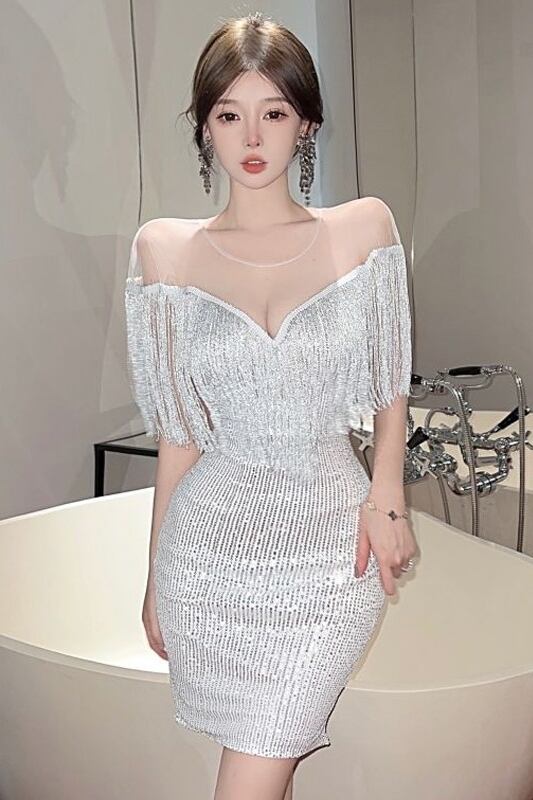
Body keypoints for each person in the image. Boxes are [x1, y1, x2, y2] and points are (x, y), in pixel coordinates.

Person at [124, 11, 417, 800]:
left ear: (306, 123)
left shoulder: (362, 230)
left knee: (253, 771)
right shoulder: (164, 251)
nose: (251, 137)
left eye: (274, 113)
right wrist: (154, 578)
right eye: (229, 115)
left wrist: (386, 494)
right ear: (204, 127)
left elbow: (390, 385)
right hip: (207, 560)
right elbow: (180, 439)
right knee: (265, 773)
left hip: (329, 557)